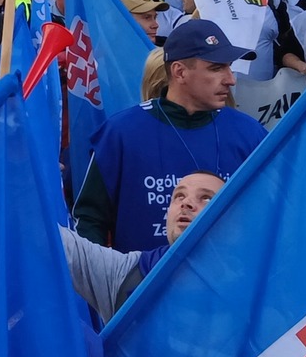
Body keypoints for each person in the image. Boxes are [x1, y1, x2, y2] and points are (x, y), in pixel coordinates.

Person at [72, 19, 268, 253]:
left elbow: (270, 215)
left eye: (229, 67)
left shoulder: (249, 133)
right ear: (180, 72)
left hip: (225, 274)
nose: (231, 79)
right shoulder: (121, 133)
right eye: (216, 68)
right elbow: (90, 220)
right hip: (144, 275)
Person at [59, 169, 223, 323]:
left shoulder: (239, 287)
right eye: (179, 196)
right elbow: (52, 239)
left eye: (206, 198)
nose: (186, 203)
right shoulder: (126, 273)